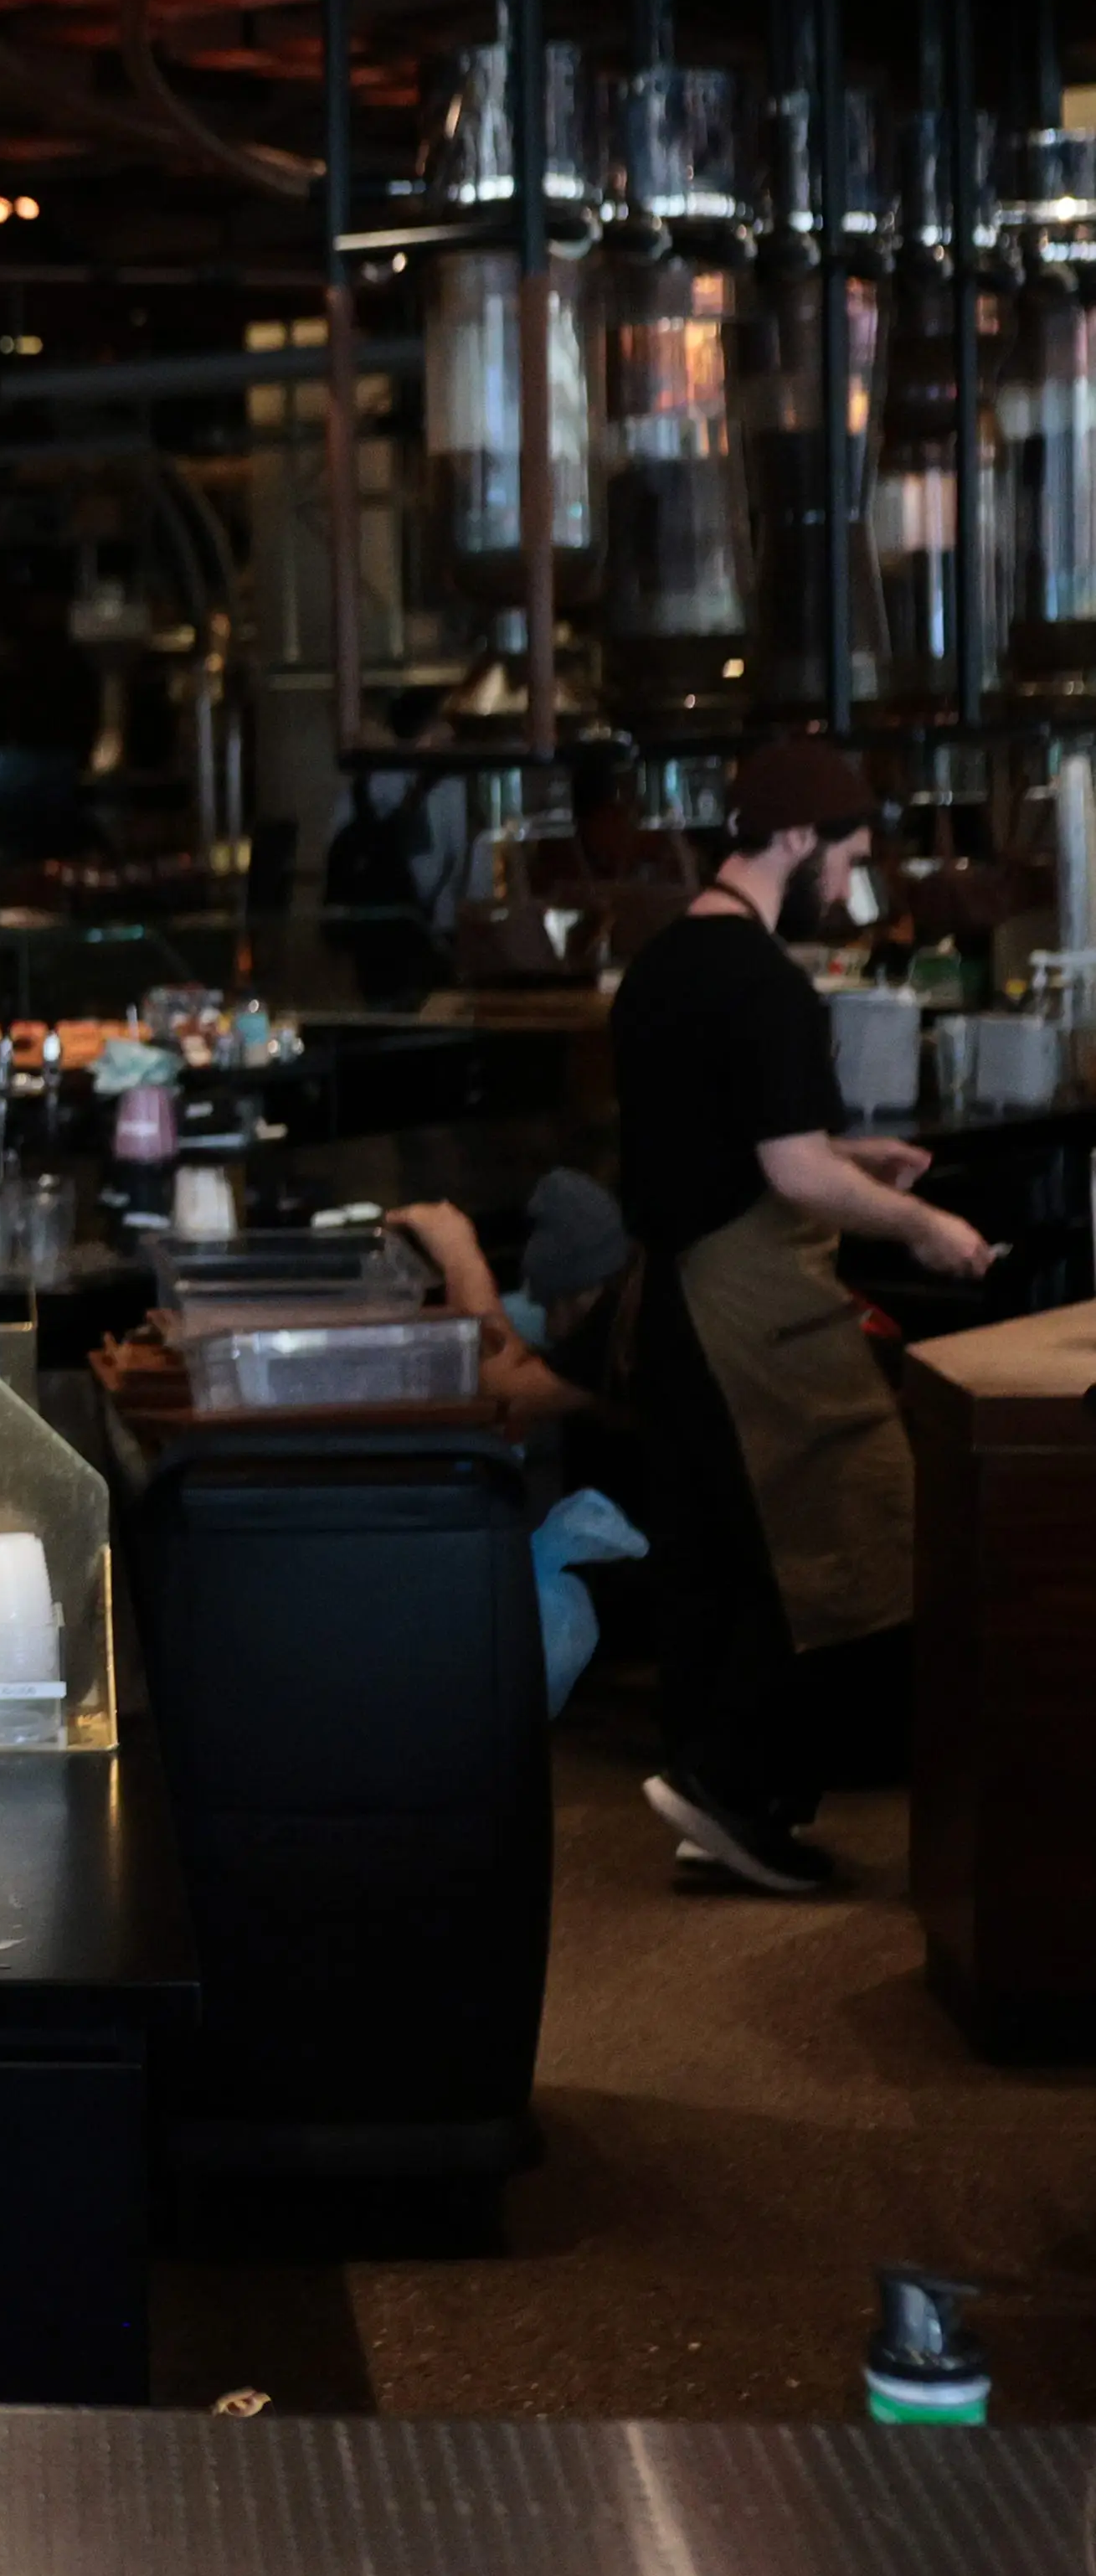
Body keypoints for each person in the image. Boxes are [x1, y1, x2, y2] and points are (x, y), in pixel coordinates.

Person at [607, 740, 992, 1896]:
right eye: (846, 850)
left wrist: (851, 1155)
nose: (851, 872)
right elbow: (793, 1179)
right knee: (854, 1537)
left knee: (729, 1560)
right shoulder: (765, 985)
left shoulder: (664, 965)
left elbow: (731, 1145)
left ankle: (732, 1803)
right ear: (791, 839)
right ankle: (728, 1787)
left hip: (666, 1306)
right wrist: (920, 1228)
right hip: (749, 1322)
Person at [388, 1172, 632, 1437]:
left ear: (580, 1293)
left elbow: (504, 1395)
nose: (549, 1329)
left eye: (549, 1307)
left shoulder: (620, 1318)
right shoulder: (625, 1306)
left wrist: (457, 1253)